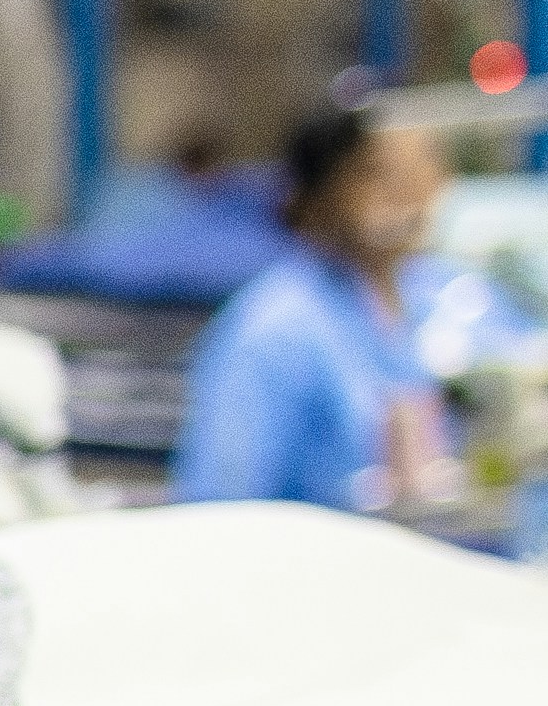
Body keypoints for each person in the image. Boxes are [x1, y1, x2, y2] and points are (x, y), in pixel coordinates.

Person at [172, 102, 475, 511]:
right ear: (320, 192)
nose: (413, 192)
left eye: (425, 164)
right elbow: (220, 507)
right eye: (381, 174)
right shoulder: (274, 331)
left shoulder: (439, 295)